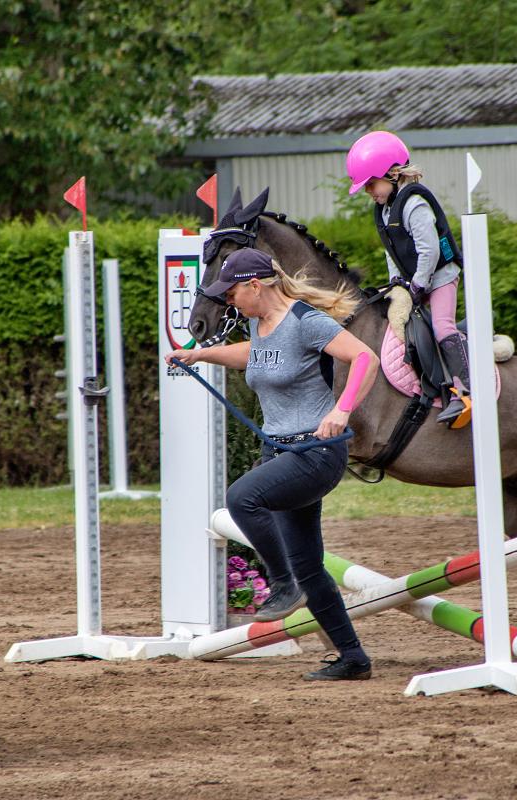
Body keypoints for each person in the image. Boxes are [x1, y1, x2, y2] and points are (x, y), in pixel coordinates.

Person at [166, 247, 379, 681]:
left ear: (254, 285)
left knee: (242, 498)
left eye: (232, 293)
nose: (228, 301)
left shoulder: (306, 321)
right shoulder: (259, 323)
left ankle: (284, 583)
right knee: (309, 565)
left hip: (315, 452)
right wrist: (201, 355)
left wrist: (341, 409)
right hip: (280, 451)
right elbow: (257, 355)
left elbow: (364, 358)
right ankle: (353, 657)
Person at [345, 130, 470, 427]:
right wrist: (396, 284)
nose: (369, 192)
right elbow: (392, 251)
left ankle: (463, 389)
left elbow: (429, 251)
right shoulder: (384, 210)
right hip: (416, 279)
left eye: (371, 184)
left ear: (391, 173)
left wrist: (417, 285)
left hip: (440, 276)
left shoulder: (415, 204)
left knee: (441, 326)